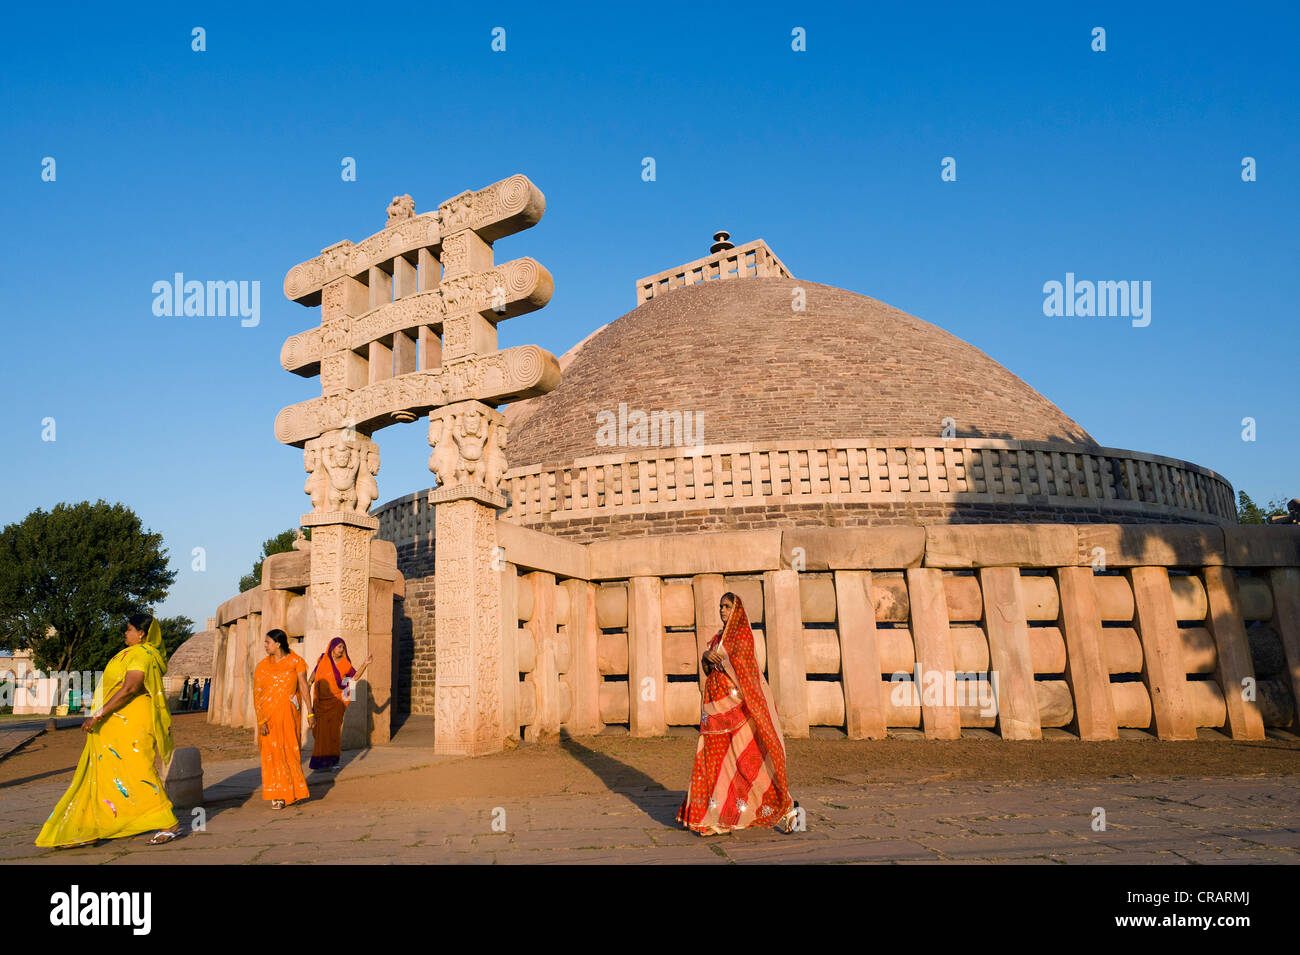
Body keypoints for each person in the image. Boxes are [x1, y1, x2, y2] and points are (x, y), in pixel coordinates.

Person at [36, 613, 182, 848]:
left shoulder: (142, 655)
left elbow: (131, 687)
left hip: (131, 724)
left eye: (129, 629)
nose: (125, 633)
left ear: (141, 633)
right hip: (114, 725)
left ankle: (168, 823)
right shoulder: (131, 653)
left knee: (138, 772)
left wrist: (97, 714)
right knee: (104, 776)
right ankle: (91, 826)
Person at [677, 592, 800, 835]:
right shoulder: (717, 639)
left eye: (727, 606)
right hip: (714, 714)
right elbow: (707, 669)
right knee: (712, 763)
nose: (722, 611)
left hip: (739, 714)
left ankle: (784, 806)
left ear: (737, 609)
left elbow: (745, 671)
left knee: (746, 765)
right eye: (720, 606)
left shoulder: (741, 637)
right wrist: (705, 657)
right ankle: (713, 818)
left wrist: (720, 659)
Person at [253, 629, 311, 809]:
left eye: (267, 642)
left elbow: (303, 687)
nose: (265, 645)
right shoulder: (262, 666)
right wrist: (261, 721)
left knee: (290, 753)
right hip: (268, 718)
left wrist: (310, 712)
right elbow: (258, 694)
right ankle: (277, 795)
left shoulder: (296, 662)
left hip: (288, 715)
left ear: (278, 644)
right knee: (272, 756)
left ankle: (293, 791)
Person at [307, 637, 372, 771]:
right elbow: (315, 672)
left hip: (336, 703)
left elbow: (353, 678)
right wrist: (308, 684)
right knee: (320, 733)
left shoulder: (345, 664)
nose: (341, 650)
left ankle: (333, 760)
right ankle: (319, 762)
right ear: (332, 647)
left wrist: (365, 664)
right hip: (320, 703)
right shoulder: (322, 659)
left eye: (343, 647)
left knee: (334, 733)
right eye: (339, 647)